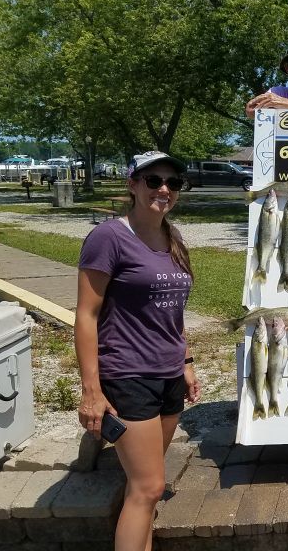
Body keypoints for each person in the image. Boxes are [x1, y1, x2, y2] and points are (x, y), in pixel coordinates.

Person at [75, 151, 201, 551]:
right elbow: (85, 315)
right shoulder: (108, 237)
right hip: (128, 375)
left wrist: (185, 361)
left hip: (168, 376)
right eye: (153, 180)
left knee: (145, 488)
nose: (164, 189)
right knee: (149, 488)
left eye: (173, 183)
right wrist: (91, 390)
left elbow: (173, 313)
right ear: (132, 184)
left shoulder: (173, 237)